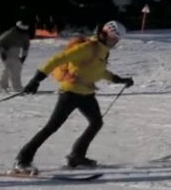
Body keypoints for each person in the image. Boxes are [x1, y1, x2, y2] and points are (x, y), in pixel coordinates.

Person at [13, 20, 134, 172]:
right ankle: (23, 159)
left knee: (96, 123)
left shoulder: (102, 50)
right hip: (70, 93)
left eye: (117, 40)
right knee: (51, 127)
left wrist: (119, 79)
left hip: (87, 94)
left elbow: (99, 70)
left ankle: (77, 156)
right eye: (113, 38)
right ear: (104, 35)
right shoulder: (86, 48)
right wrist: (36, 80)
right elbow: (57, 59)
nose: (115, 42)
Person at [0, 20, 32, 92]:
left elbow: (26, 46)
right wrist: (2, 53)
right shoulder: (10, 33)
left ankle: (17, 86)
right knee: (6, 69)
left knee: (17, 69)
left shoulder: (25, 35)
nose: (23, 31)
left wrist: (24, 55)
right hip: (7, 52)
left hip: (16, 52)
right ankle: (2, 86)